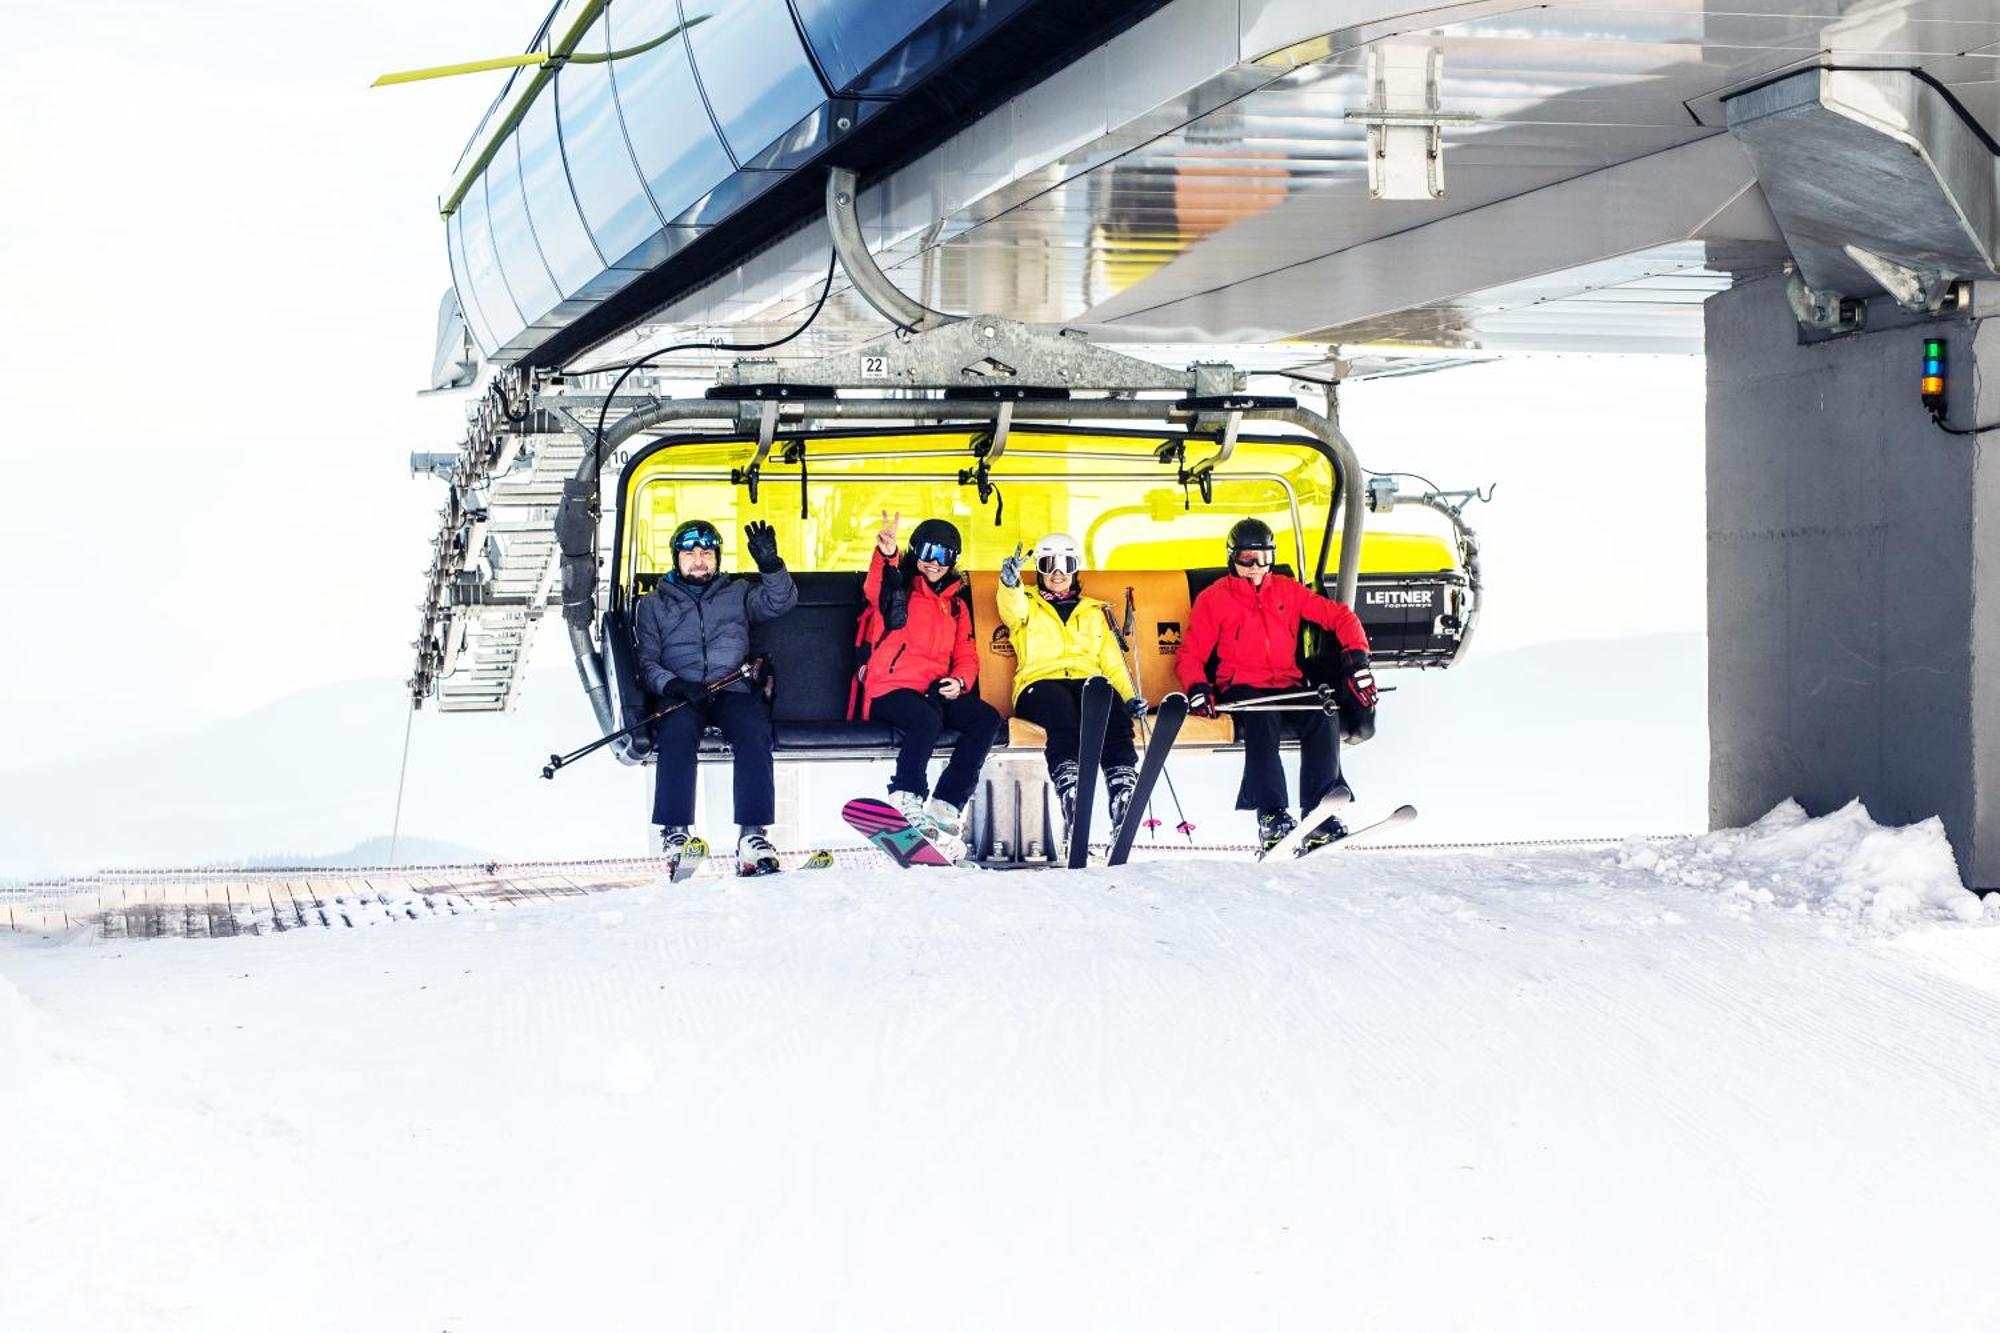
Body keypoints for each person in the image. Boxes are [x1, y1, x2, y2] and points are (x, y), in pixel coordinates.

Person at [1177, 517, 1379, 853]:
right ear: (1233, 558)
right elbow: (1190, 653)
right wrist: (1198, 687)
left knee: (1322, 712)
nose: (1257, 567)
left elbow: (1340, 617)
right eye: (1248, 559)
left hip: (1288, 684)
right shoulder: (1215, 599)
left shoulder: (1287, 590)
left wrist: (1358, 660)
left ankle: (1319, 813)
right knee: (1263, 715)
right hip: (1242, 689)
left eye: (1265, 558)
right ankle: (1272, 815)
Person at [635, 518, 796, 874]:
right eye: (690, 553)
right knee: (676, 733)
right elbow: (646, 662)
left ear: (717, 559)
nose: (699, 560)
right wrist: (675, 685)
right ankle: (676, 831)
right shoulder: (653, 605)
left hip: (730, 687)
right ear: (676, 559)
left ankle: (752, 836)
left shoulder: (736, 593)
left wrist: (770, 565)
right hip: (682, 691)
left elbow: (778, 602)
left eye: (707, 553)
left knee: (755, 730)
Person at [857, 511, 1001, 861]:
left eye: (944, 556)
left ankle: (946, 805)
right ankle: (906, 796)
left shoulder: (955, 606)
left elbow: (967, 654)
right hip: (889, 688)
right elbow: (876, 586)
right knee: (926, 719)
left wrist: (960, 681)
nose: (935, 563)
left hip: (934, 690)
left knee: (986, 719)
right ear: (915, 553)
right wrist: (887, 553)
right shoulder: (898, 588)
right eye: (928, 553)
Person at [995, 533, 1146, 834]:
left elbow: (1112, 660)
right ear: (1039, 568)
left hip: (1088, 682)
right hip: (1038, 684)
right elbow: (1011, 610)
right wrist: (1010, 585)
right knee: (1060, 710)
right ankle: (1071, 788)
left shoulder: (1095, 612)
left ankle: (1121, 788)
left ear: (1076, 568)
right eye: (1050, 564)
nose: (1058, 573)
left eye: (1066, 564)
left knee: (1109, 703)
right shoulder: (1027, 605)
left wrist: (1129, 697)